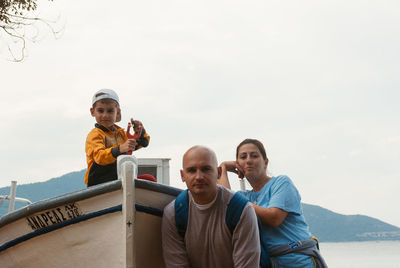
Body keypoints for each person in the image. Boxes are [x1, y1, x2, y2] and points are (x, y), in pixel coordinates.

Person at [218, 139, 327, 268]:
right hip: (268, 263)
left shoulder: (281, 183)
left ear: (265, 162)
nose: (248, 160)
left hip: (298, 261)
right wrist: (223, 167)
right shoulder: (245, 197)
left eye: (254, 156)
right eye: (243, 157)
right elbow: (225, 200)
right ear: (238, 165)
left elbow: (274, 218)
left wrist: (238, 202)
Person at [162, 146, 261, 268]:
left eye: (205, 169)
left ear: (219, 172)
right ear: (183, 175)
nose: (199, 176)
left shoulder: (240, 210)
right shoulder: (173, 214)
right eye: (192, 170)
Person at [84, 89, 150, 186]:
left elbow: (143, 143)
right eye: (100, 111)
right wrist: (120, 149)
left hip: (120, 179)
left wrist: (140, 130)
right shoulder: (94, 135)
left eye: (110, 111)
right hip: (98, 182)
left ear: (117, 112)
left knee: (149, 179)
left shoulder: (121, 134)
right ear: (92, 112)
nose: (105, 115)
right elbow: (99, 157)